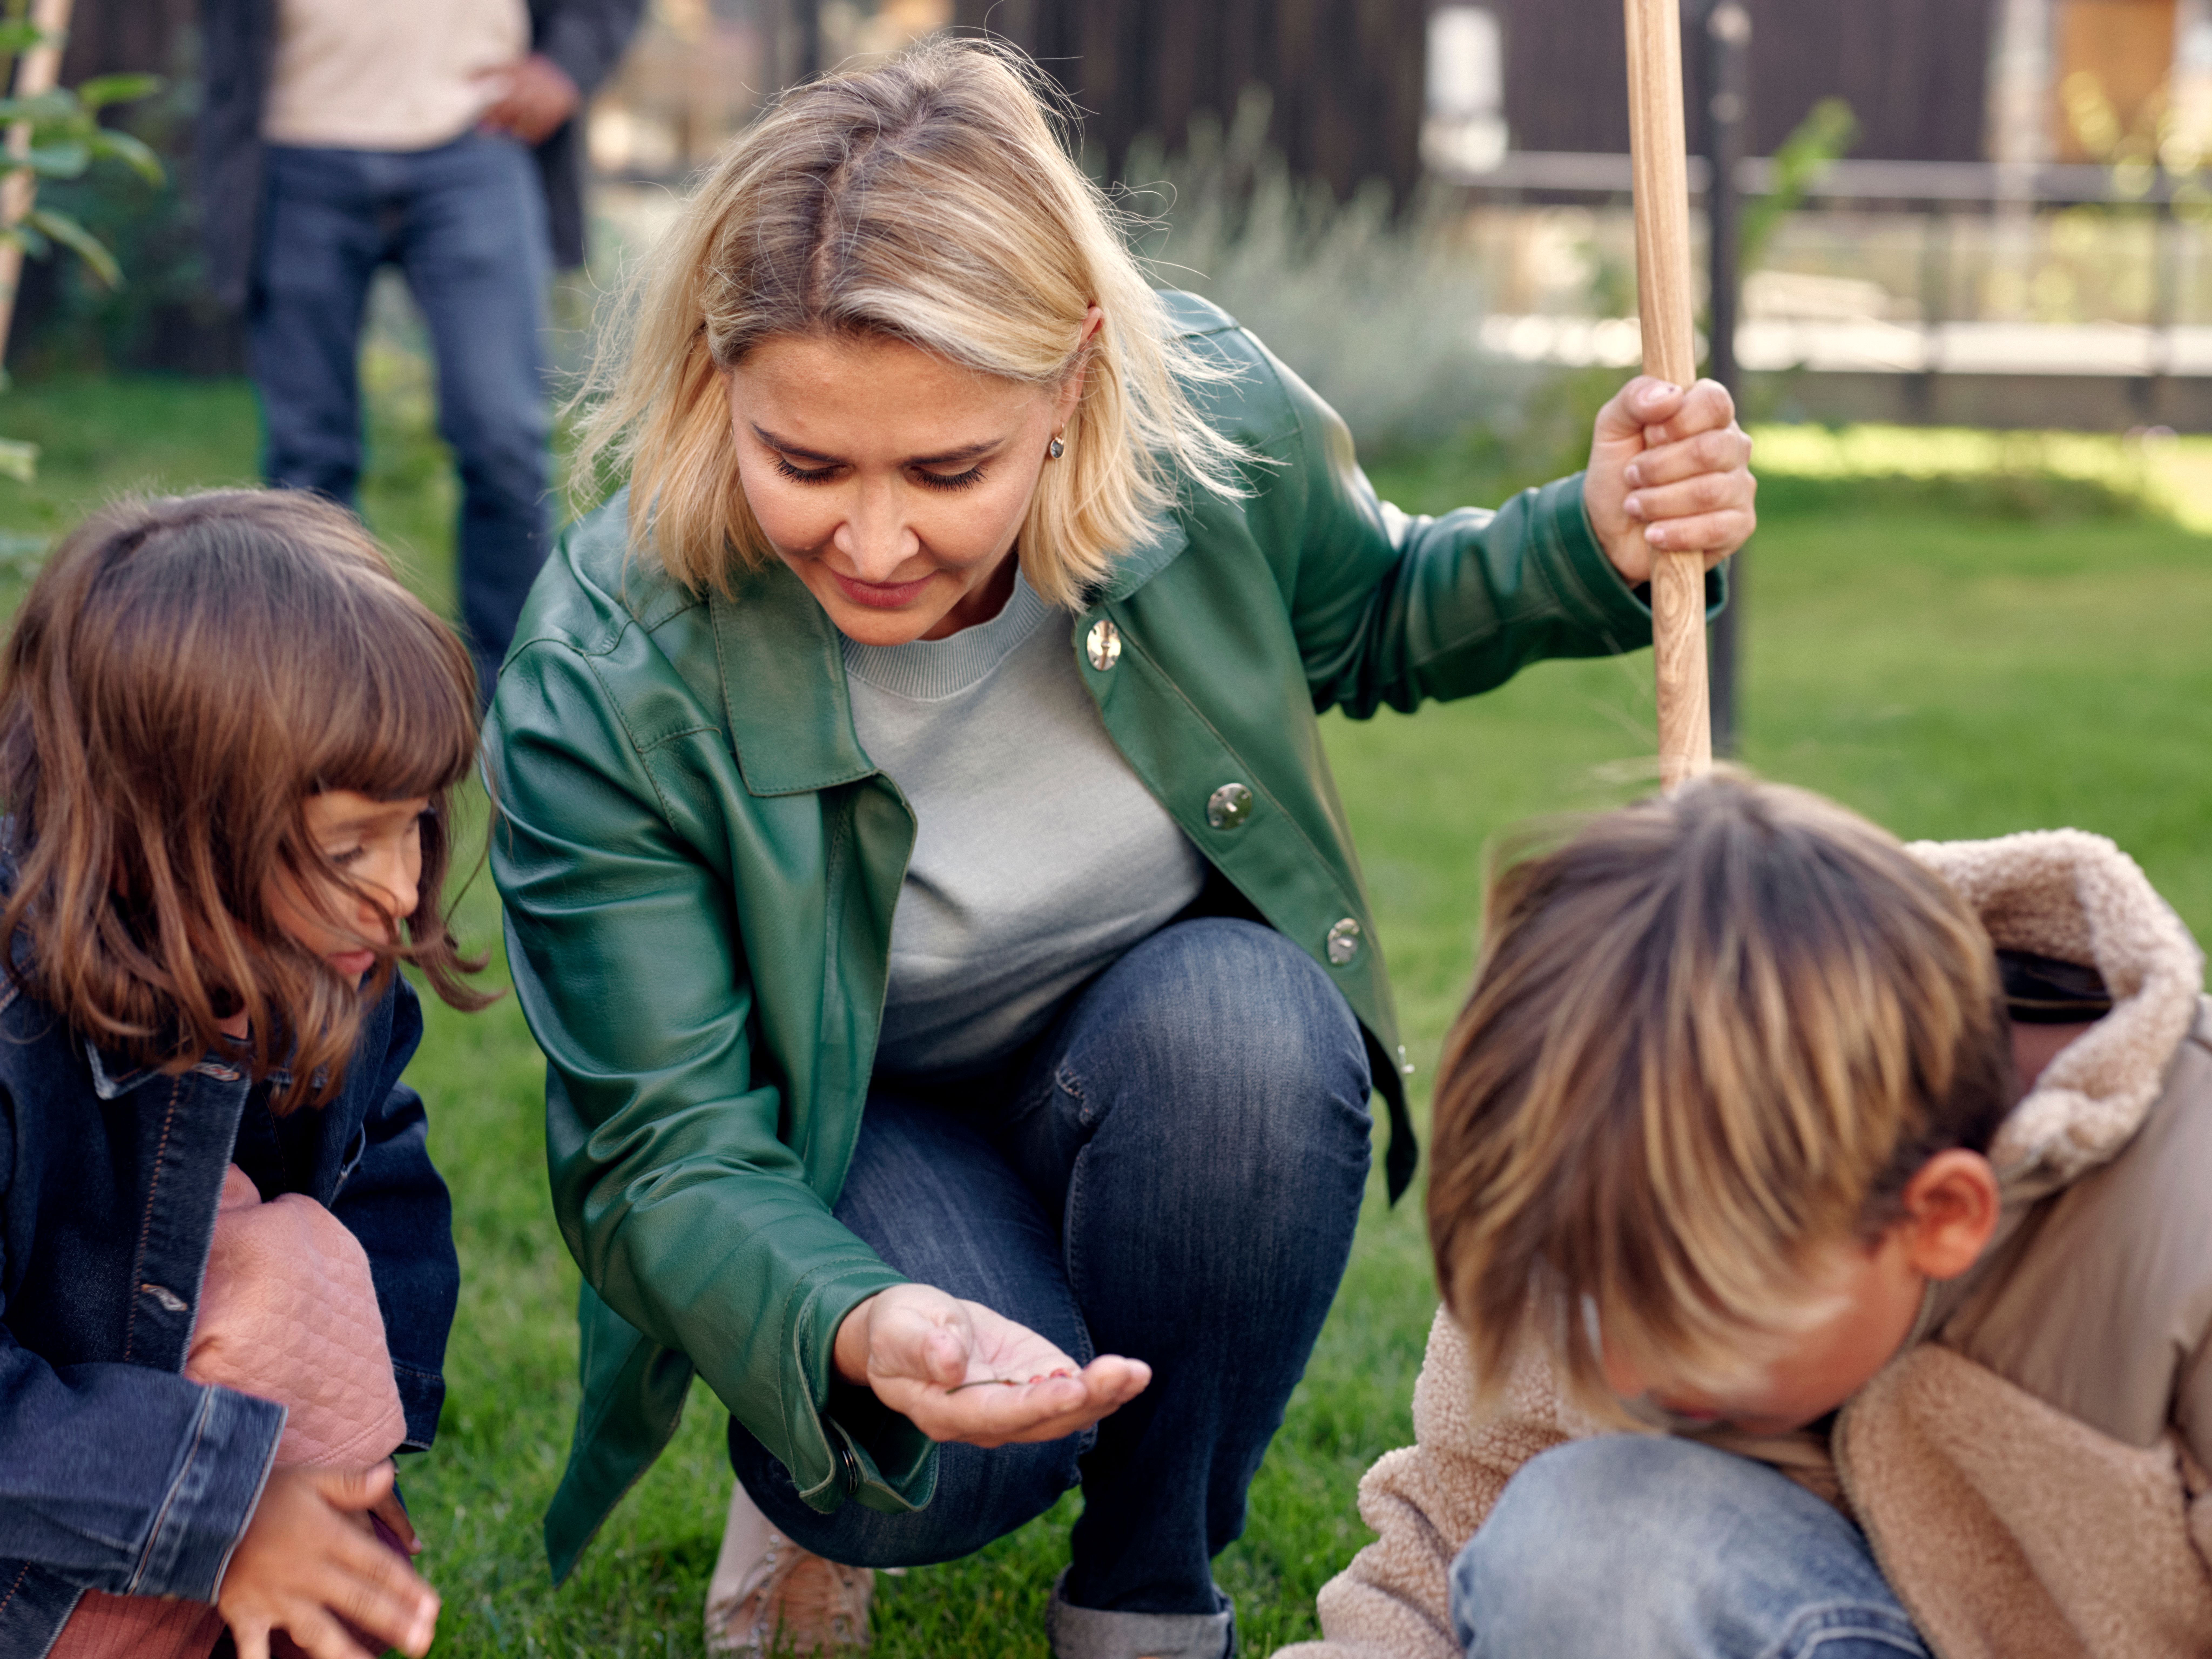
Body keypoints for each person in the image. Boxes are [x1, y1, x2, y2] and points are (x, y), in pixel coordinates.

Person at [485, 38, 1755, 1659]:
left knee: (1252, 1030)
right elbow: (660, 1149)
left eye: (949, 470)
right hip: (838, 1121)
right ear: (716, 385)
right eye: (803, 464)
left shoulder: (1198, 415)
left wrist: (1594, 539)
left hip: (1149, 1038)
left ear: (1074, 381)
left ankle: (1147, 1597)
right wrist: (855, 1321)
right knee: (928, 1468)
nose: (875, 543)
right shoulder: (609, 658)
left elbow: (1364, 616)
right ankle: (855, 1411)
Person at [1280, 774, 2212, 1659]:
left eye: (1703, 1316)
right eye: (1592, 1306)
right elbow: (1447, 1555)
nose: (1626, 1371)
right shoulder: (1587, 1190)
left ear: (1940, 1216)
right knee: (1587, 1541)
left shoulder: (2183, 1234)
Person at [0, 492, 491, 1659]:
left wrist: (341, 1476)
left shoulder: (323, 956)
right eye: (345, 848)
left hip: (149, 1469)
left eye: (417, 824)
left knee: (306, 1263)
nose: (408, 888)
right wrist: (218, 1509)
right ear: (158, 832)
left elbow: (385, 1175)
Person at [197, 0, 646, 703]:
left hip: (479, 139)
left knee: (502, 436)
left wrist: (567, 65)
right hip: (293, 145)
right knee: (308, 457)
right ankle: (329, 695)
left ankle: (524, 694)